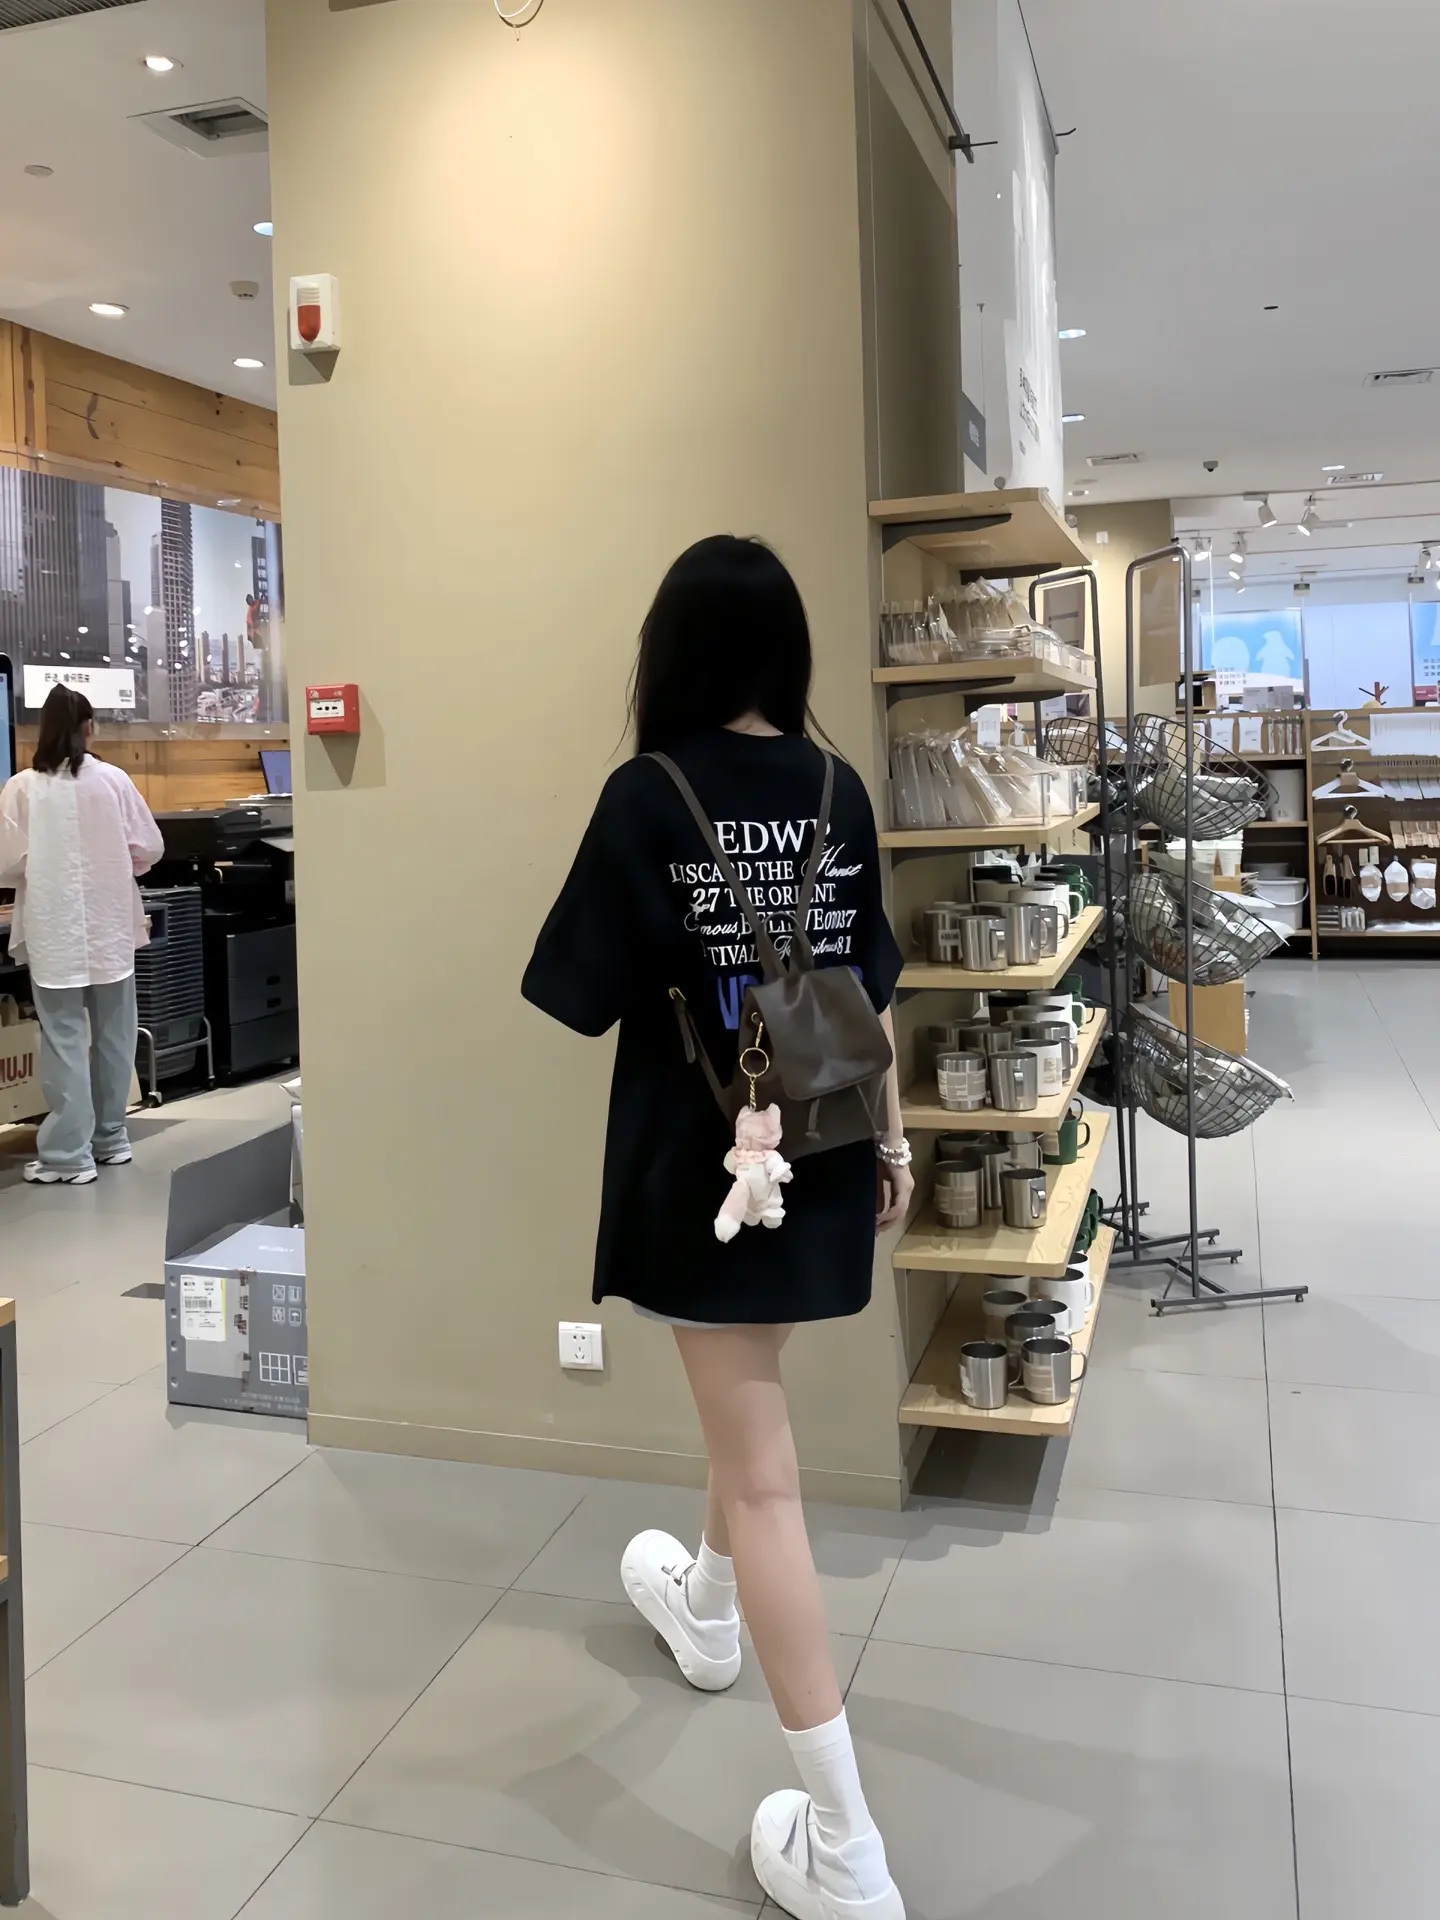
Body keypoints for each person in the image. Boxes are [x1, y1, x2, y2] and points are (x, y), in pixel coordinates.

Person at [523, 536, 913, 1920]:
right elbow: (872, 985)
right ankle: (703, 1605)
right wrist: (897, 1142)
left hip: (707, 1178)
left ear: (671, 653)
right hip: (828, 1156)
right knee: (746, 1401)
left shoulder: (649, 796)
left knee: (766, 1482)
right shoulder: (839, 789)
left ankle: (845, 1846)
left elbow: (575, 991)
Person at [0, 685, 165, 1185]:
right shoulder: (113, 781)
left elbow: (6, 864)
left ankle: (68, 1155)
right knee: (115, 1035)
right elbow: (149, 847)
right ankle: (111, 1139)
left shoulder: (22, 788)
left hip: (54, 931)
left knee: (64, 1038)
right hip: (111, 928)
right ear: (88, 727)